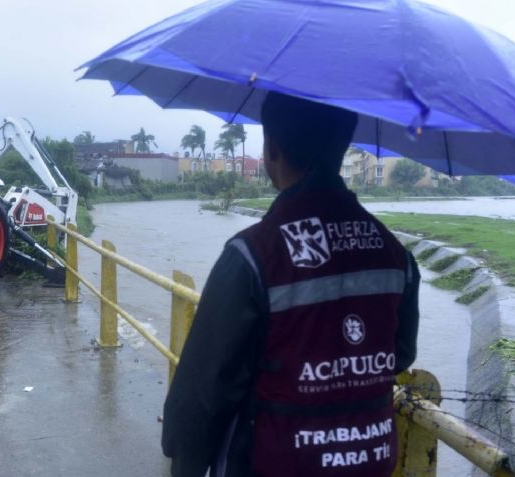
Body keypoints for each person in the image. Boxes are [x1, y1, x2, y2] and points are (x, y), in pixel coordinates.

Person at [161, 92, 420, 477]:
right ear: (343, 145)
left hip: (275, 461)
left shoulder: (252, 255)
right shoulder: (395, 253)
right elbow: (399, 354)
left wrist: (185, 461)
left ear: (272, 149)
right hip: (371, 461)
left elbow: (203, 393)